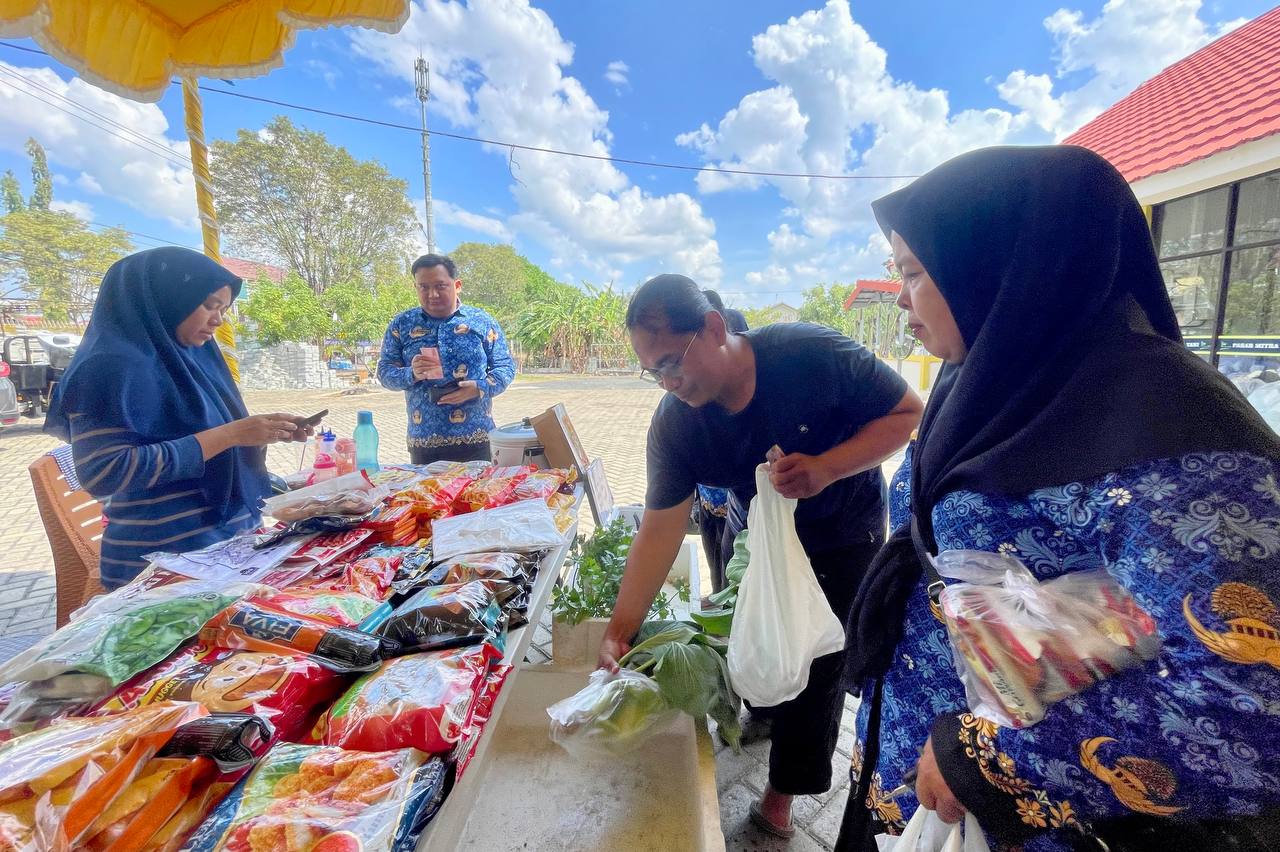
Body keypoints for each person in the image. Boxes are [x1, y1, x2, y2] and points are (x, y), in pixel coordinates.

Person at [837, 146, 1280, 851]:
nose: (900, 298)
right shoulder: (985, 378)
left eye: (915, 273)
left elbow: (1251, 709)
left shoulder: (1173, 433)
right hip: (919, 781)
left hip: (1038, 812)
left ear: (1003, 271)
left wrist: (983, 762)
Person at [598, 274, 922, 837]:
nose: (669, 382)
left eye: (673, 361)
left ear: (715, 328)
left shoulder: (811, 355)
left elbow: (906, 413)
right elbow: (658, 533)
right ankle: (767, 714)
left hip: (844, 532)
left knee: (816, 665)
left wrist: (827, 467)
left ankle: (783, 792)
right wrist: (620, 631)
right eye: (653, 372)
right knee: (761, 638)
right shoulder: (677, 426)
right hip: (763, 539)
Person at [44, 248, 313, 590]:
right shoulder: (111, 367)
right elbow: (104, 472)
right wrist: (231, 435)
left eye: (224, 309)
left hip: (225, 548)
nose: (218, 320)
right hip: (162, 566)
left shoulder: (195, 358)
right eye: (209, 305)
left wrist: (262, 433)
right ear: (165, 298)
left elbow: (206, 441)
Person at [377, 253, 515, 465]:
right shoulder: (402, 324)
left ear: (457, 285)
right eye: (424, 287)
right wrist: (411, 373)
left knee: (478, 498)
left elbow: (505, 368)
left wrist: (480, 387)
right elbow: (385, 373)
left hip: (477, 442)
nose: (432, 294)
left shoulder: (481, 321)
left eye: (440, 286)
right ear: (416, 287)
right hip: (423, 445)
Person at [695, 289, 749, 592]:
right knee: (718, 574)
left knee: (737, 573)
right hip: (709, 501)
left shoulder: (737, 340)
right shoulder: (694, 391)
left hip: (739, 506)